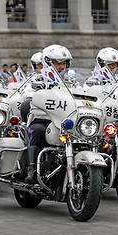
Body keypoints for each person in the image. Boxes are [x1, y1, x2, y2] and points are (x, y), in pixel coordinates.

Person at [24, 44, 72, 183]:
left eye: (63, 63)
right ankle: (31, 169)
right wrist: (36, 91)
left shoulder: (70, 82)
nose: (61, 67)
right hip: (42, 119)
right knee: (37, 131)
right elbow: (28, 95)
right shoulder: (38, 80)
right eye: (58, 63)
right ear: (48, 63)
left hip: (65, 121)